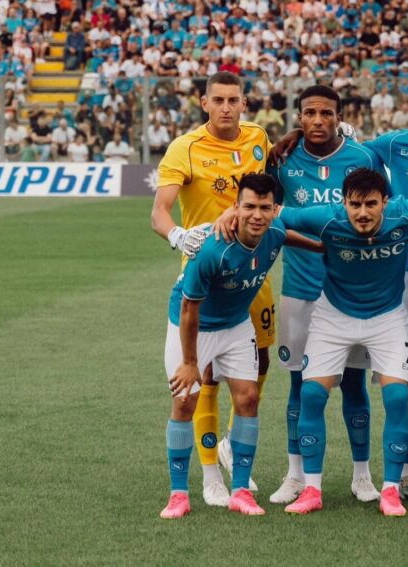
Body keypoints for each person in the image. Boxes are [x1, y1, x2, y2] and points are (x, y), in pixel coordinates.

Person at [271, 74, 408, 502]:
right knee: (399, 381)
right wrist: (298, 132)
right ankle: (404, 472)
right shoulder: (389, 145)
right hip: (402, 275)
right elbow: (334, 156)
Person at [266, 169, 408, 517]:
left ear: (385, 202)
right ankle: (312, 488)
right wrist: (230, 213)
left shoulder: (406, 214)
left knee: (398, 397)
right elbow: (276, 212)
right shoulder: (326, 219)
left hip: (387, 318)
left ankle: (389, 490)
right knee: (312, 394)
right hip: (333, 316)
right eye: (355, 204)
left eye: (371, 204)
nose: (362, 213)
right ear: (343, 203)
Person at [152, 72, 273, 507]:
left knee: (256, 374)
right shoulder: (185, 148)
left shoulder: (258, 137)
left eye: (233, 100)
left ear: (244, 103)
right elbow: (159, 212)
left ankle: (228, 446)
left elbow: (275, 185)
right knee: (203, 381)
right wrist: (179, 237)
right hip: (207, 273)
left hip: (254, 273)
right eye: (217, 100)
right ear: (204, 103)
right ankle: (209, 476)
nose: (226, 107)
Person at [266, 85, 385, 505]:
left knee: (354, 384)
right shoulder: (282, 158)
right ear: (299, 117)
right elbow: (271, 216)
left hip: (352, 291)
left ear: (339, 117)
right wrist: (310, 244)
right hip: (300, 290)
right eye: (309, 113)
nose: (318, 121)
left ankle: (362, 475)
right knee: (301, 385)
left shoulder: (363, 157)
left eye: (326, 113)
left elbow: (381, 210)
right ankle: (296, 474)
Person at [159, 174, 287, 519]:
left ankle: (241, 491)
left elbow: (297, 236)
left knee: (248, 398)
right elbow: (189, 309)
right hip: (192, 328)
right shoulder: (213, 249)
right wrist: (190, 362)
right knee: (185, 402)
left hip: (235, 325)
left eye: (264, 207)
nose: (256, 215)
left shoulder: (275, 234)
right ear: (235, 207)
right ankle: (179, 494)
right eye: (248, 207)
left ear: (276, 209)